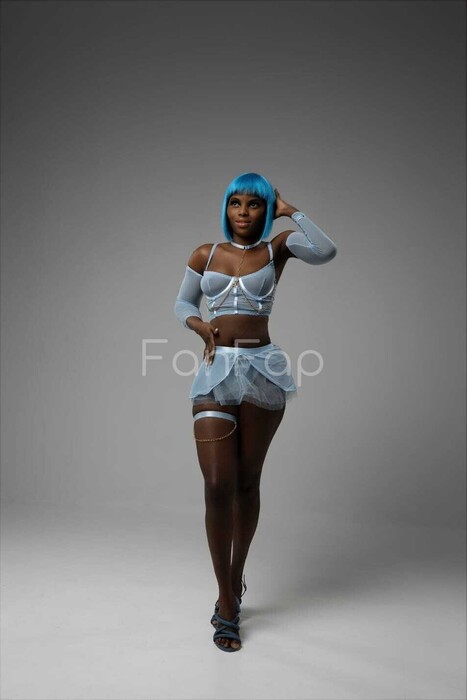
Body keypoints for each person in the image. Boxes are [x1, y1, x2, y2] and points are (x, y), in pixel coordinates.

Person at [174, 172, 337, 652]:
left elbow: (326, 251)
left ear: (266, 210)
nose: (244, 212)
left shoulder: (276, 249)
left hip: (263, 369)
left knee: (246, 483)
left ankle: (235, 580)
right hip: (216, 371)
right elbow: (182, 301)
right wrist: (198, 325)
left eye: (255, 204)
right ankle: (227, 599)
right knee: (216, 484)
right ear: (226, 207)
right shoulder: (205, 254)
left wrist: (292, 211)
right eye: (236, 203)